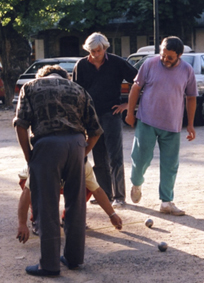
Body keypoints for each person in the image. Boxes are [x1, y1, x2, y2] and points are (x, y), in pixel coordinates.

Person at [13, 65, 104, 277]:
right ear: (65, 77)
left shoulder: (30, 87)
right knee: (76, 204)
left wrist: (29, 156)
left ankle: (49, 265)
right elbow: (96, 130)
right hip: (76, 145)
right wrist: (83, 152)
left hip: (47, 146)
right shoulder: (78, 89)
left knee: (46, 205)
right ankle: (73, 259)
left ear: (41, 76)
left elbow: (20, 124)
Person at [125, 36, 197, 216]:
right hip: (147, 120)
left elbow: (191, 97)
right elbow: (135, 88)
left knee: (170, 164)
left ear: (179, 55)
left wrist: (190, 124)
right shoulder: (149, 64)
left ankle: (166, 201)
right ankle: (136, 183)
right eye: (163, 55)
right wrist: (129, 113)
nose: (165, 59)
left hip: (172, 124)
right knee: (141, 158)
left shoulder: (187, 70)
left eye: (170, 57)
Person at [73, 32, 137, 208]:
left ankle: (119, 196)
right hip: (90, 115)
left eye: (98, 50)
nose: (95, 54)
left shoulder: (117, 62)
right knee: (98, 156)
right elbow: (76, 91)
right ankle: (105, 194)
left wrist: (127, 105)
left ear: (105, 48)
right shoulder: (81, 65)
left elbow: (139, 81)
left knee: (115, 155)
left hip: (112, 113)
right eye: (92, 51)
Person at [17, 159, 122, 243]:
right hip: (43, 179)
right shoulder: (43, 164)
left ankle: (69, 215)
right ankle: (38, 217)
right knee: (40, 195)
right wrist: (22, 223)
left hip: (64, 180)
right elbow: (27, 193)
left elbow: (97, 191)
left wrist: (112, 214)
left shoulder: (83, 165)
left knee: (87, 186)